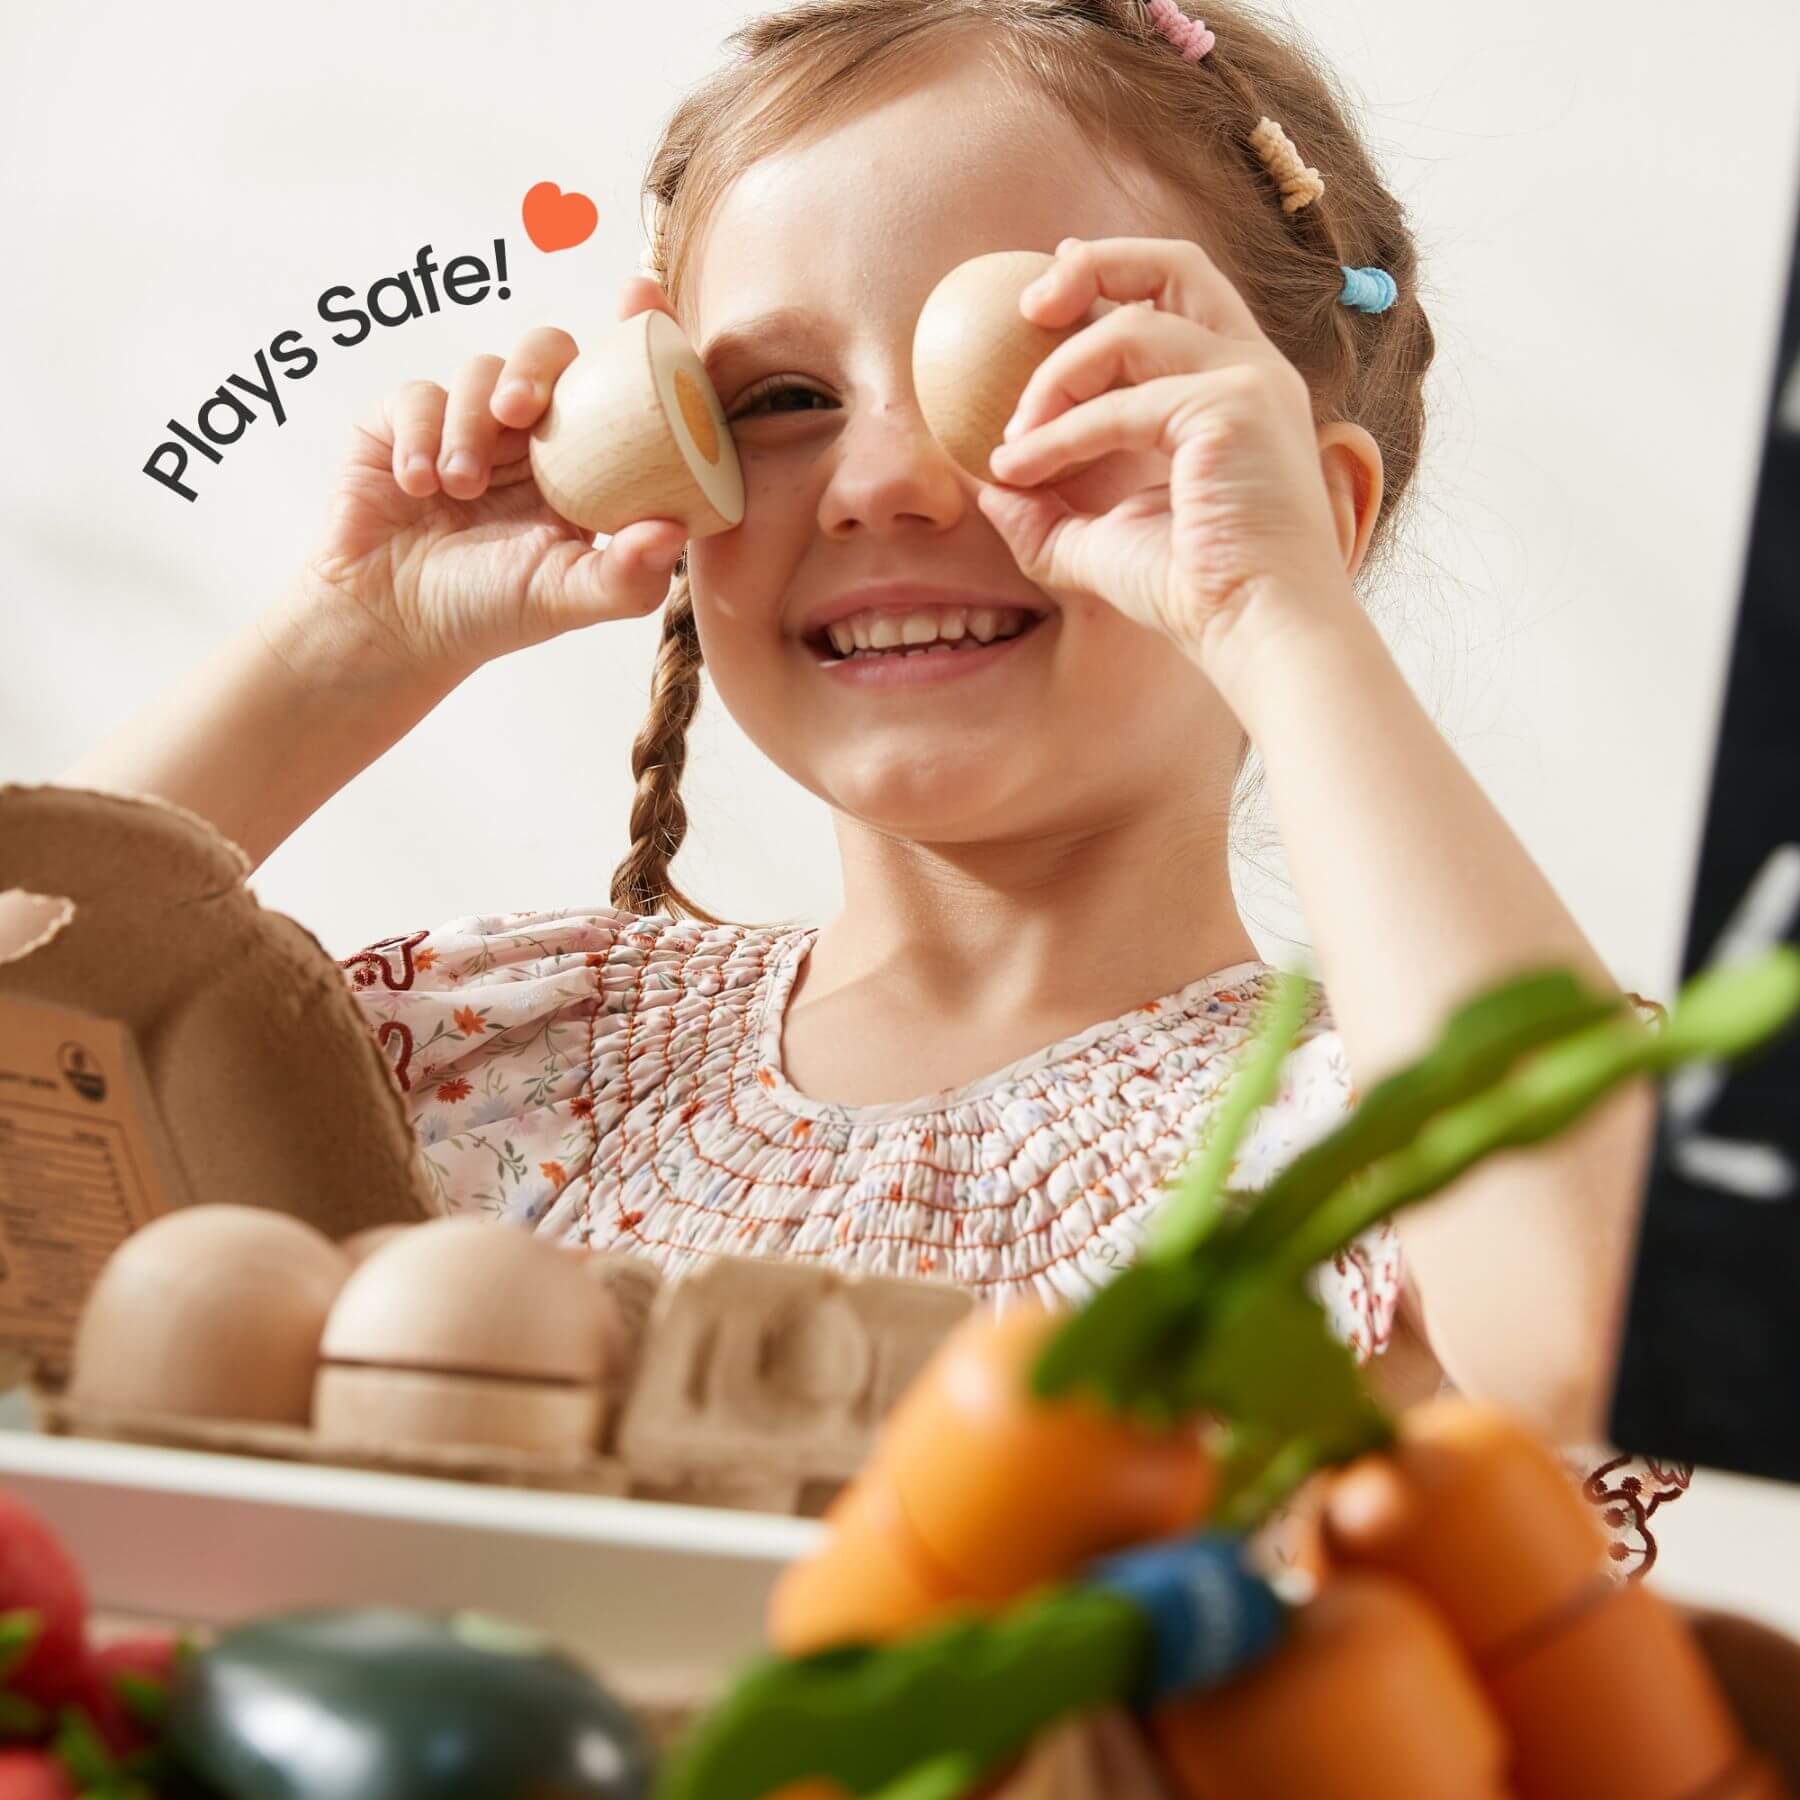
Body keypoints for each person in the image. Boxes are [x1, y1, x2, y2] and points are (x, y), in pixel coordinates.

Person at [60, 0, 1683, 1573]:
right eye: (774, 404)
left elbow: (1583, 1338)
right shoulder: (502, 1055)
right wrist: (337, 651)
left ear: (1293, 505)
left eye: (1040, 377)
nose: (884, 480)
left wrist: (1282, 621)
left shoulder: (1382, 1152)